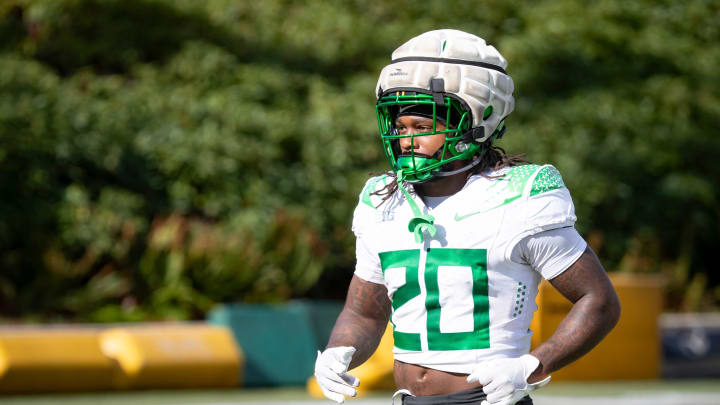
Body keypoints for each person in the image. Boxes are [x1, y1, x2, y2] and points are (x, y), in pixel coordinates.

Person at [314, 29, 621, 405]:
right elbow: (365, 313)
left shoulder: (520, 195)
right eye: (400, 126)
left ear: (477, 118)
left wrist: (532, 366)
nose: (405, 139)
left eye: (422, 127)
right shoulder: (383, 200)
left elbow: (598, 299)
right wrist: (337, 350)